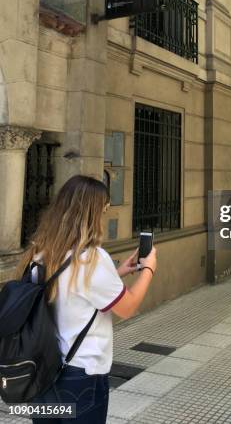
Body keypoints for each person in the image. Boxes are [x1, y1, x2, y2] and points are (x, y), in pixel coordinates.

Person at [16, 175, 157, 423]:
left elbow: (70, 289)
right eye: (103, 210)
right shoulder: (92, 259)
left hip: (42, 370)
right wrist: (148, 269)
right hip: (80, 375)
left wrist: (119, 272)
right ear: (92, 214)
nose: (104, 217)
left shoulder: (40, 251)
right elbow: (128, 307)